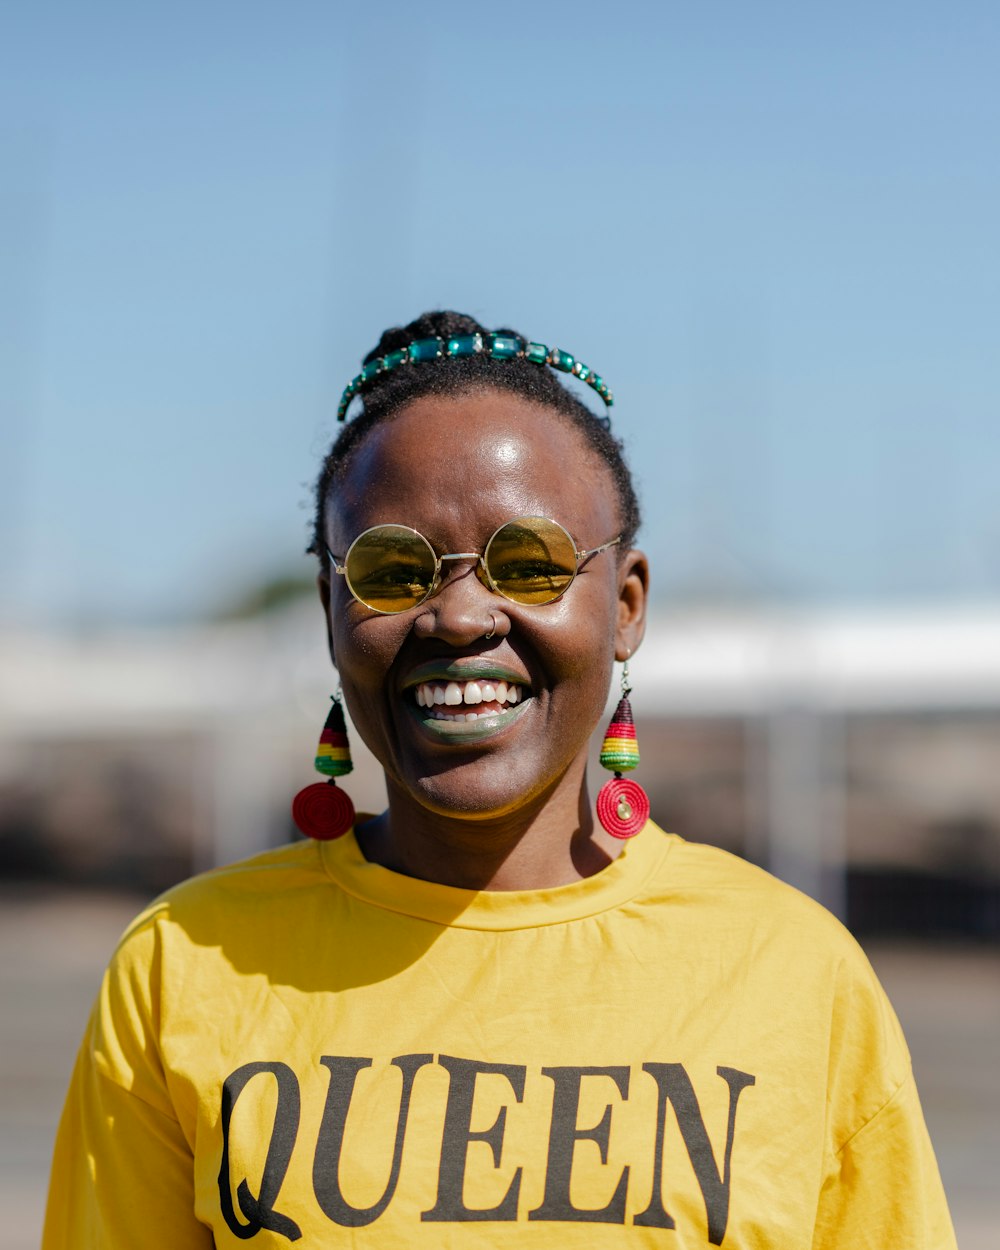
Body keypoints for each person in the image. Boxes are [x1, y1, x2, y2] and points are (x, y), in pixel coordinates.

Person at [43, 311, 956, 1248]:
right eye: (393, 569)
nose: (460, 615)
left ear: (627, 604)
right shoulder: (183, 965)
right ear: (329, 606)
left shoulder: (795, 974)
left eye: (528, 563)